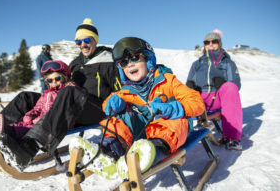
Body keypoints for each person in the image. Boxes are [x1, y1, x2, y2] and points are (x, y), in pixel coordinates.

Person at [0, 18, 121, 172]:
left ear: (95, 40)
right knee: (25, 97)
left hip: (98, 109)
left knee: (69, 91)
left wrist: (117, 109)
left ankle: (30, 147)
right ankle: (0, 135)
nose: (83, 45)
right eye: (78, 42)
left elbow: (120, 90)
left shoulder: (108, 60)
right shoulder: (75, 64)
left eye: (86, 40)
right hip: (72, 106)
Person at [69, 37, 205, 180]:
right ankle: (109, 152)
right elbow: (107, 105)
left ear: (148, 59)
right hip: (144, 132)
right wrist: (112, 103)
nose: (129, 65)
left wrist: (173, 108)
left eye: (134, 58)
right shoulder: (127, 90)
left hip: (170, 132)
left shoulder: (167, 80)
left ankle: (150, 152)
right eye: (123, 62)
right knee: (120, 118)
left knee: (172, 121)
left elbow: (196, 102)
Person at [0, 60, 75, 145]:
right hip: (36, 121)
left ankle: (3, 134)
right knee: (19, 124)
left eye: (57, 79)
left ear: (65, 77)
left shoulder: (67, 92)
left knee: (21, 131)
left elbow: (63, 111)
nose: (53, 83)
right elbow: (38, 107)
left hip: (47, 125)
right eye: (49, 80)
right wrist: (31, 114)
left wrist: (71, 86)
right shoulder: (46, 94)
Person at [186, 29, 243, 151]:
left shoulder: (227, 62)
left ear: (220, 43)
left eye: (214, 41)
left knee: (230, 88)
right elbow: (189, 82)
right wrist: (190, 85)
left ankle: (232, 138)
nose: (210, 44)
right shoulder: (197, 63)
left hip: (218, 98)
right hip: (200, 98)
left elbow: (236, 85)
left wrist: (224, 83)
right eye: (207, 42)